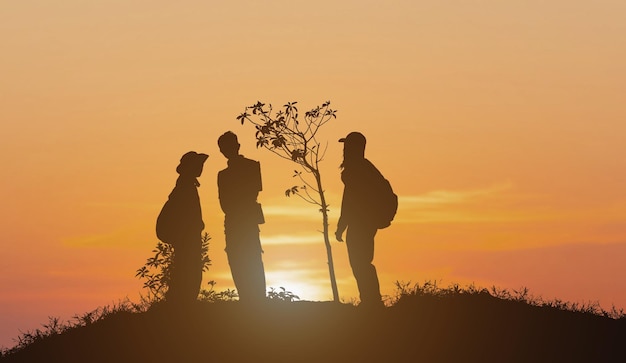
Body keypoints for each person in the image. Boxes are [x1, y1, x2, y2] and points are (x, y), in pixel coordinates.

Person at [335, 132, 387, 308]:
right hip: (364, 221)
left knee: (361, 262)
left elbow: (349, 199)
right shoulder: (362, 167)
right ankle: (371, 300)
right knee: (361, 261)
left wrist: (342, 224)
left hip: (361, 222)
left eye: (347, 146)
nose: (344, 149)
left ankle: (372, 302)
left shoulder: (357, 169)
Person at [217, 131, 267, 303]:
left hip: (244, 221)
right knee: (240, 260)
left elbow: (251, 193)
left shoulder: (250, 166)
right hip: (238, 221)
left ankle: (256, 300)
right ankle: (250, 299)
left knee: (250, 258)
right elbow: (226, 203)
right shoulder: (227, 173)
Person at [156, 151, 209, 305]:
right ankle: (182, 305)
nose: (201, 168)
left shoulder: (186, 184)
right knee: (188, 271)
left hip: (187, 238)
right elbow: (186, 215)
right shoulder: (185, 186)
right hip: (187, 239)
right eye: (198, 165)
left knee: (185, 270)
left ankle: (181, 304)